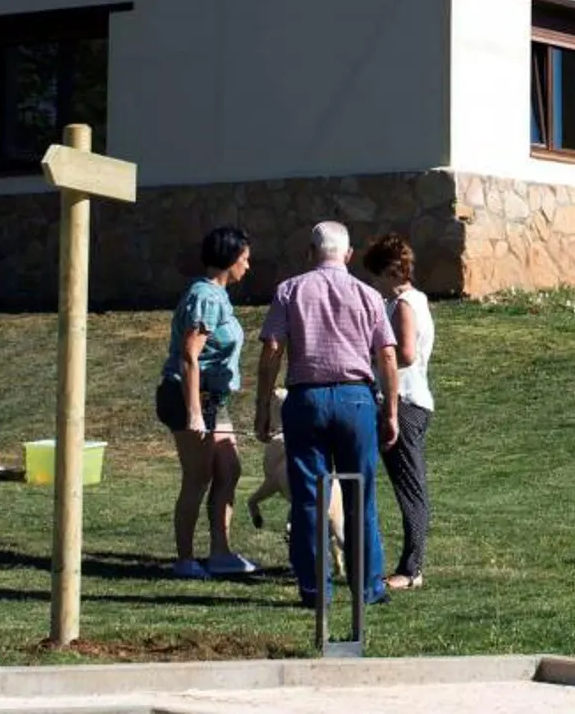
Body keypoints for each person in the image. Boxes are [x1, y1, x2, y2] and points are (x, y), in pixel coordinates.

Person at [255, 221, 399, 608]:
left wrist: (262, 405)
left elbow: (272, 350)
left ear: (310, 252)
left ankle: (317, 590)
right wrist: (392, 411)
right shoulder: (368, 294)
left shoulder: (290, 290)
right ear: (348, 255)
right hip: (356, 398)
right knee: (360, 495)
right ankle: (368, 587)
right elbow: (387, 354)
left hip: (307, 398)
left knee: (308, 497)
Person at [156, 225, 257, 579]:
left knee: (229, 469)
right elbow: (188, 357)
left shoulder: (217, 295)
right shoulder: (208, 298)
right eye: (244, 258)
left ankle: (220, 552)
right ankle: (185, 559)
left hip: (213, 396)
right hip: (188, 396)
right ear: (230, 260)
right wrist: (195, 413)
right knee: (197, 477)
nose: (248, 265)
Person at [363, 233, 435, 592]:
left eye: (376, 276)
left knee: (410, 488)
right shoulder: (413, 300)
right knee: (409, 485)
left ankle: (412, 569)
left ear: (391, 272)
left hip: (404, 402)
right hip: (409, 399)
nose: (372, 284)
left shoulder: (404, 303)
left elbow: (404, 354)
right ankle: (409, 563)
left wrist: (370, 358)